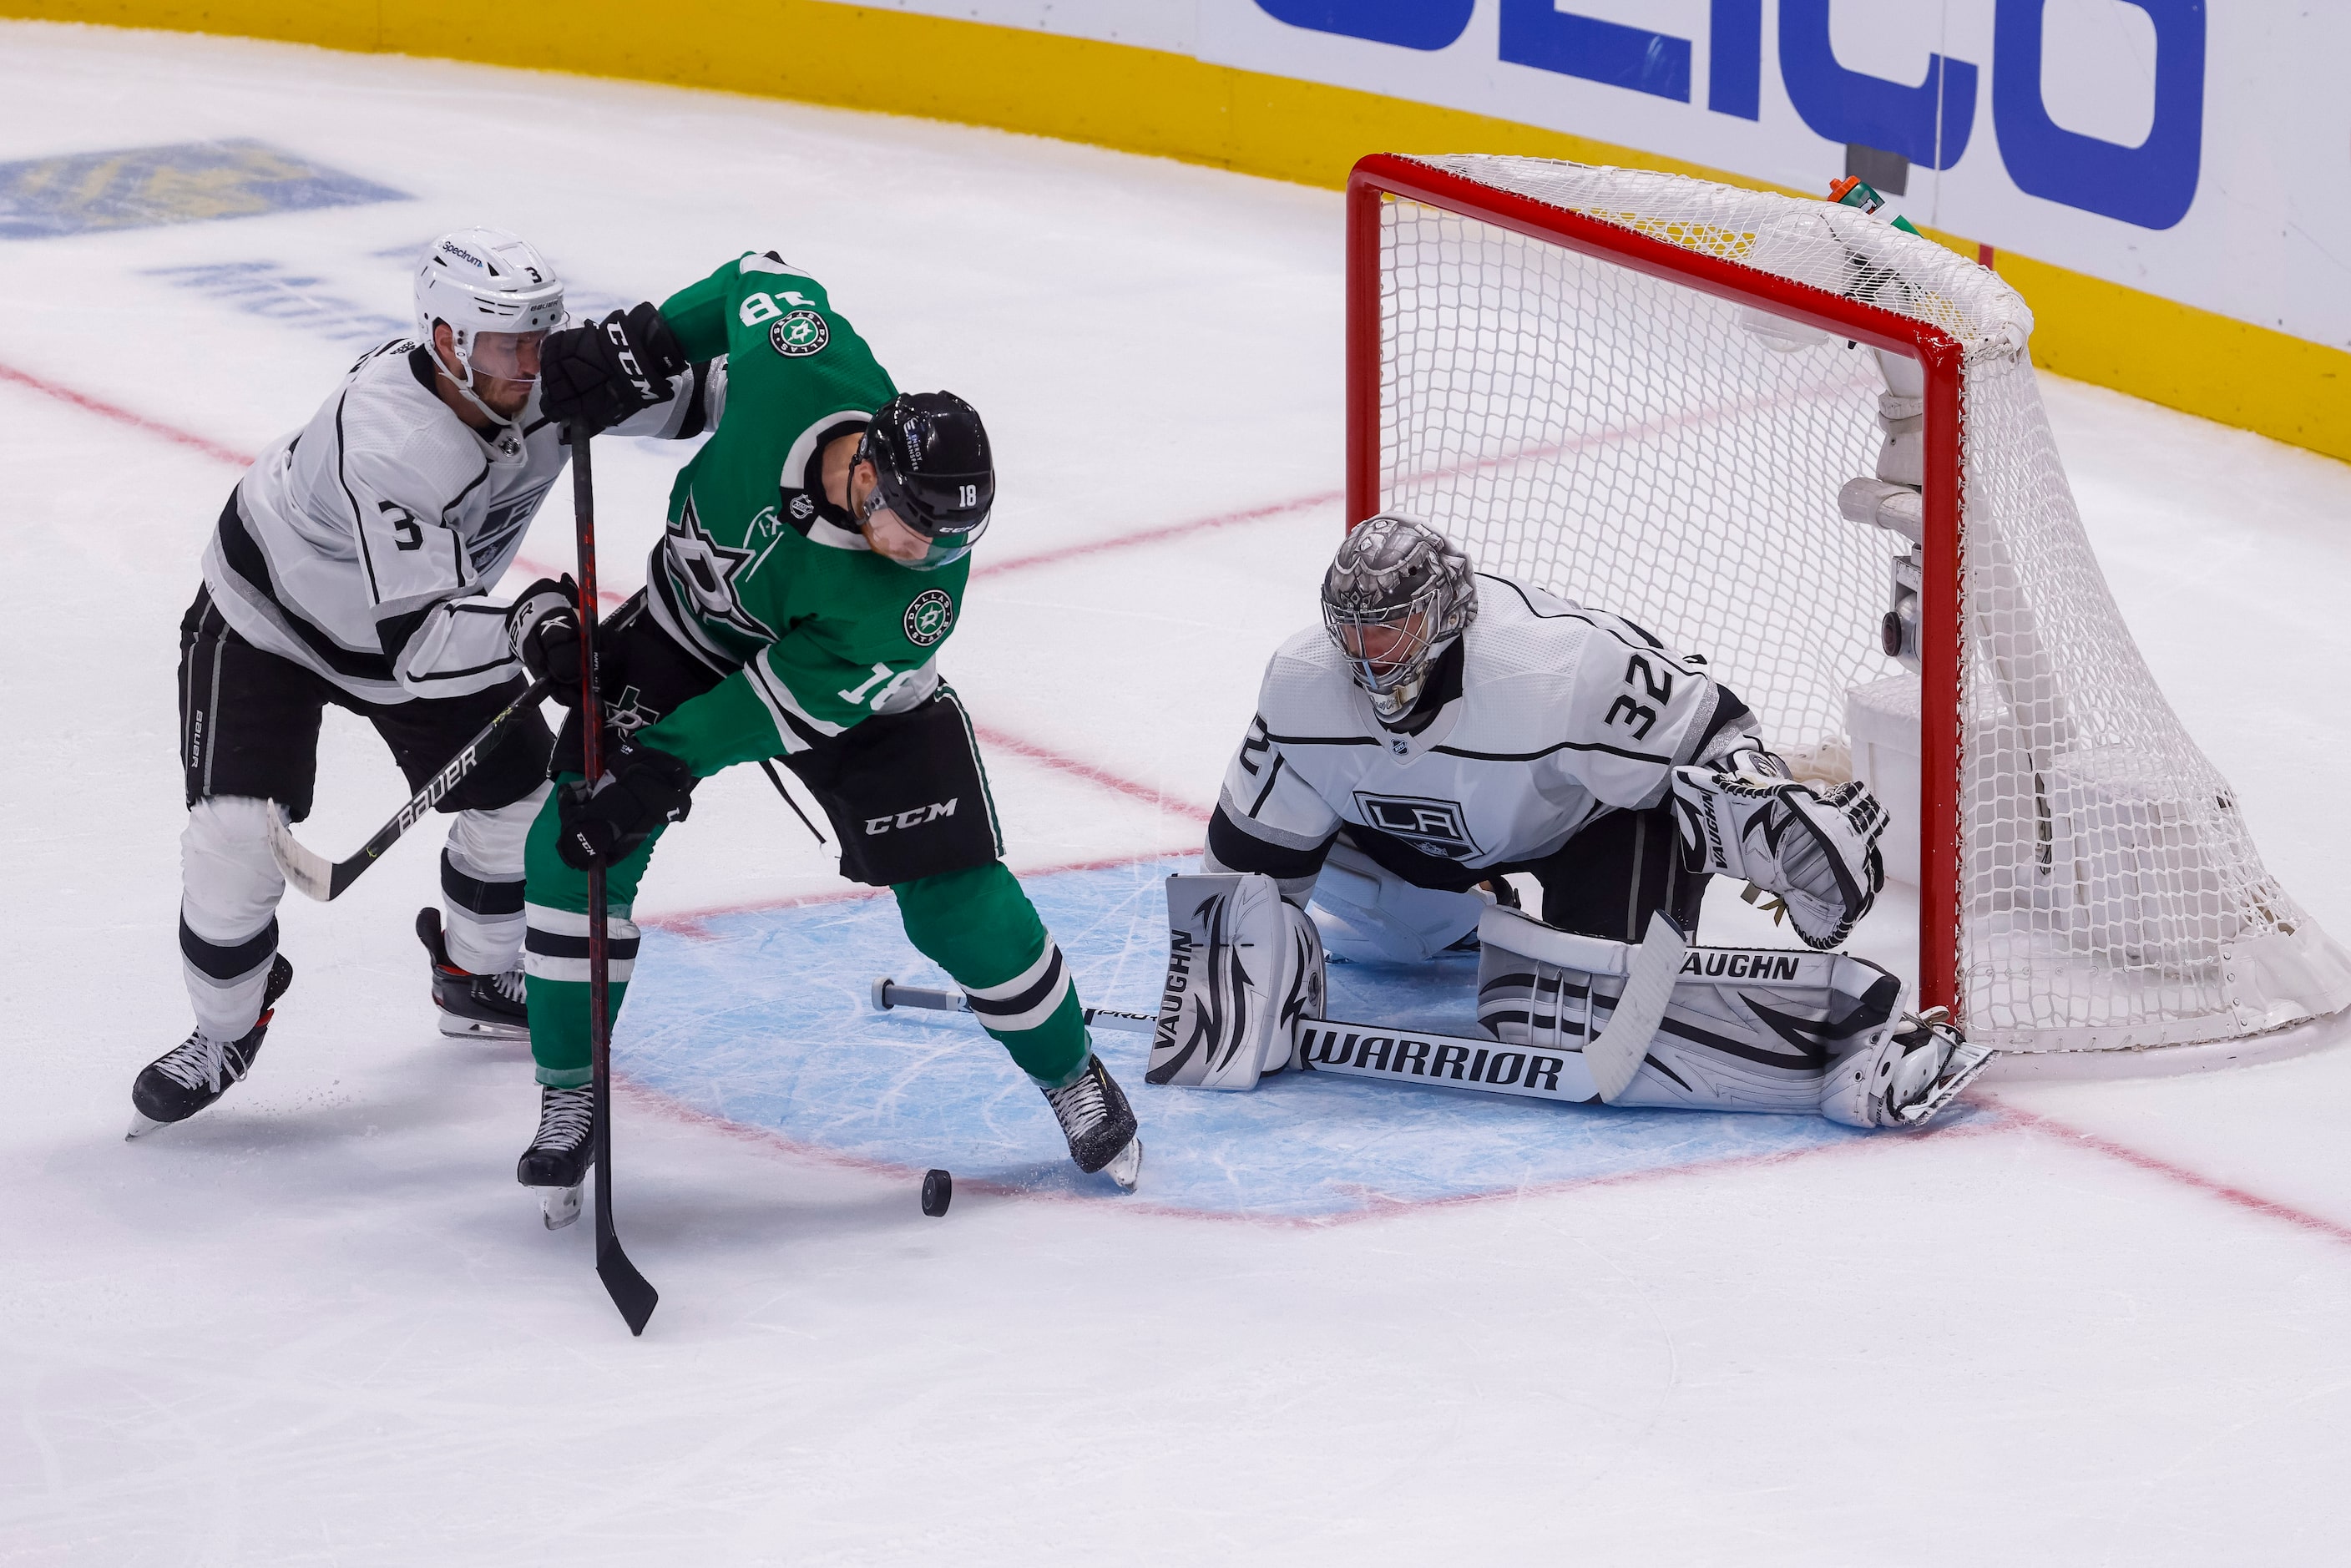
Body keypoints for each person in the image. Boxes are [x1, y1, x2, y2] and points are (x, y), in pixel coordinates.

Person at [506, 251, 1143, 1203]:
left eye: (951, 540)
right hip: (680, 635)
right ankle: (568, 1096)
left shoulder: (912, 601)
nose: (927, 555)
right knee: (575, 847)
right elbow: (753, 276)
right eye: (914, 527)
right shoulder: (805, 367)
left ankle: (1071, 1074)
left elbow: (773, 703)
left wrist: (665, 764)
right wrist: (647, 342)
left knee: (955, 902)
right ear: (870, 473)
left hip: (853, 700)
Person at [130, 229, 720, 1137]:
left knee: (523, 801)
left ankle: (473, 972)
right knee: (233, 839)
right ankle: (223, 1030)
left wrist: (806, 407)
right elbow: (420, 648)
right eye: (509, 343)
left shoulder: (535, 380)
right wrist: (530, 626)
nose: (534, 361)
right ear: (447, 342)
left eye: (542, 334)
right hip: (270, 623)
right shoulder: (393, 440)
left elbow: (705, 401)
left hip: (421, 618)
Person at [1162, 513, 1988, 1128]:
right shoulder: (1300, 682)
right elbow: (1243, 867)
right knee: (1348, 937)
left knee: (1582, 1030)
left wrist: (1756, 792)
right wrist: (1229, 973)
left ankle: (1852, 1034)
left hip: (1592, 828)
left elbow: (1709, 726)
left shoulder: (1558, 662)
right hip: (1427, 845)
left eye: (1390, 627)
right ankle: (1470, 922)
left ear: (1448, 614)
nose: (1365, 652)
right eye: (1350, 630)